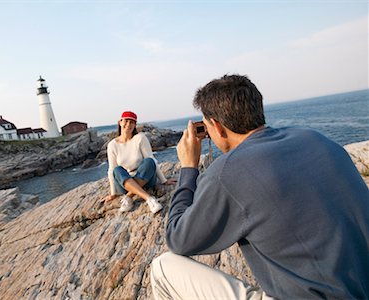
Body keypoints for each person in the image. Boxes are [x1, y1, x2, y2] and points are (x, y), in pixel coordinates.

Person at [150, 75, 369, 299]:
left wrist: (188, 169)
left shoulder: (228, 172)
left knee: (163, 268)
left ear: (216, 126)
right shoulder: (317, 138)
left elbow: (178, 238)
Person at [103, 111, 176, 213]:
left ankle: (129, 197)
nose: (128, 124)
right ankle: (149, 199)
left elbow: (152, 161)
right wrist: (113, 193)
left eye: (132, 122)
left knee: (149, 161)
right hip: (125, 184)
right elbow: (111, 171)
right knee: (117, 170)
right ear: (120, 122)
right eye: (126, 121)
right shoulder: (112, 145)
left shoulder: (140, 138)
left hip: (145, 179)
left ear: (135, 125)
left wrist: (164, 180)